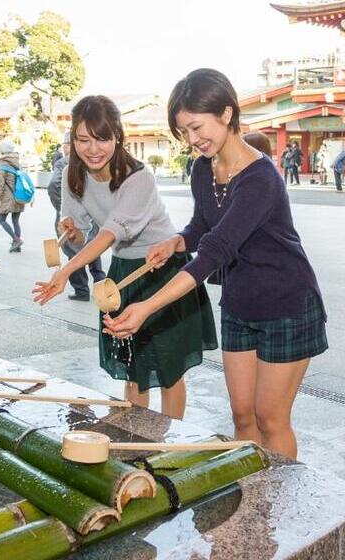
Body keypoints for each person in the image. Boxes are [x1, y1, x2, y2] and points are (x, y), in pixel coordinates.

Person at [104, 69, 327, 459]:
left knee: (271, 418)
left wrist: (148, 307)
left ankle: (284, 506)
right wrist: (176, 241)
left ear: (226, 113)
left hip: (287, 303)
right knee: (243, 417)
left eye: (196, 126)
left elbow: (215, 250)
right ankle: (256, 491)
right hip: (240, 303)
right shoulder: (202, 169)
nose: (192, 139)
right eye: (184, 131)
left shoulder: (260, 178)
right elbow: (204, 227)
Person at [33, 95, 218, 419]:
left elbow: (107, 235)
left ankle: (171, 443)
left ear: (117, 137)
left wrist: (65, 273)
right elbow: (81, 237)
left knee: (169, 369)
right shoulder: (71, 176)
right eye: (83, 139)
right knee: (134, 366)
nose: (93, 149)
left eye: (102, 138)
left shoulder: (139, 177)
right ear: (73, 139)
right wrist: (72, 233)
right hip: (124, 271)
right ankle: (136, 439)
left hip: (163, 268)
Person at [47, 131, 106, 301]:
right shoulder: (95, 165)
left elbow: (53, 187)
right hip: (93, 221)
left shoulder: (64, 164)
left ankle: (81, 290)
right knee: (94, 248)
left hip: (75, 221)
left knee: (74, 251)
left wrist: (64, 209)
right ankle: (101, 284)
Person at [0, 139, 26, 252]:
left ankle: (16, 240)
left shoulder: (3, 164)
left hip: (8, 198)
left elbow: (0, 185)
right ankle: (17, 246)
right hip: (19, 196)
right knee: (15, 220)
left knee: (1, 220)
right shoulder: (17, 162)